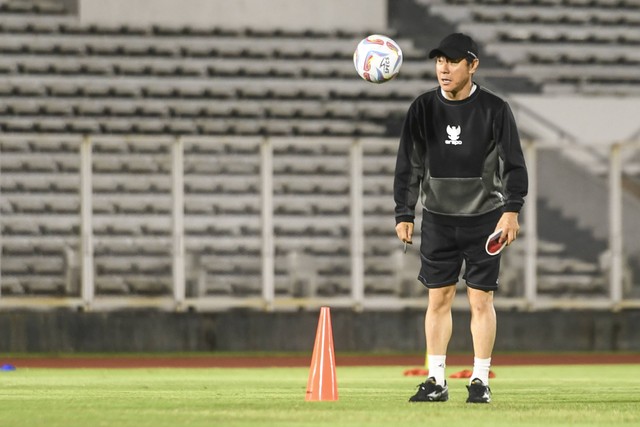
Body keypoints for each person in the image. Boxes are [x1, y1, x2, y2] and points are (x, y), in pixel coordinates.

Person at [393, 33, 528, 404]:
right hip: (437, 218)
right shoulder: (422, 108)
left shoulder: (495, 109)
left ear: (473, 65)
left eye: (452, 61)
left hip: (484, 218)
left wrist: (512, 211)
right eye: (439, 61)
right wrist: (404, 212)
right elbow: (409, 165)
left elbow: (514, 166)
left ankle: (480, 381)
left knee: (481, 300)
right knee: (438, 299)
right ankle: (436, 381)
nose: (444, 68)